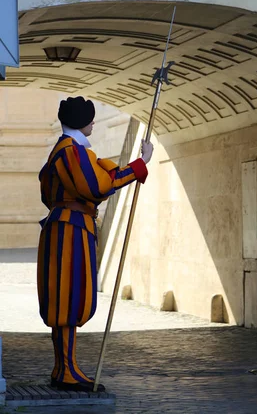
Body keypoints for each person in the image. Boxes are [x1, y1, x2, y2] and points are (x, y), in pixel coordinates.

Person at [37, 96, 153, 392]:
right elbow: (98, 185)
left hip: (65, 225)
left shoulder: (66, 150)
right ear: (81, 121)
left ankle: (64, 366)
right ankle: (66, 371)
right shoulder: (72, 151)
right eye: (90, 118)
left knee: (65, 297)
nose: (93, 122)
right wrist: (140, 166)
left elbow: (92, 179)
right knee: (69, 298)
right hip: (70, 229)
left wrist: (137, 165)